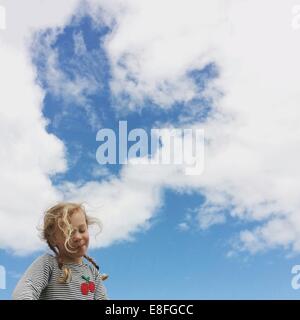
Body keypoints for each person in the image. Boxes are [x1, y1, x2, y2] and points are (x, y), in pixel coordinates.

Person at [12, 202, 109, 300]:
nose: (78, 237)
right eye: (69, 233)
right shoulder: (48, 264)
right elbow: (24, 292)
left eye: (82, 230)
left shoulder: (93, 273)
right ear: (53, 239)